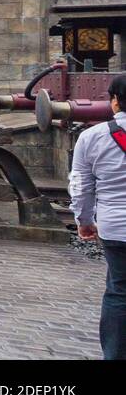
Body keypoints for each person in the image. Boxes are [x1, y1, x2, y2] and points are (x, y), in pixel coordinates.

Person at [70, 74, 126, 360]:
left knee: (119, 292)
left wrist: (84, 221)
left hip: (116, 228)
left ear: (115, 101)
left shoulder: (91, 137)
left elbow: (81, 187)